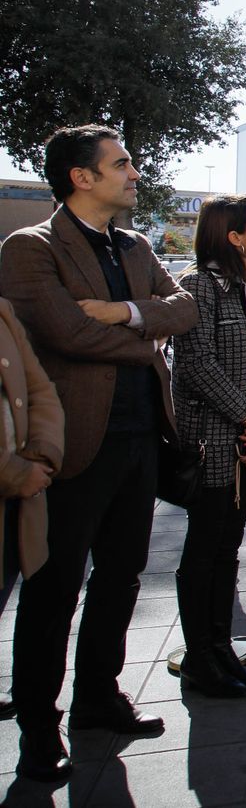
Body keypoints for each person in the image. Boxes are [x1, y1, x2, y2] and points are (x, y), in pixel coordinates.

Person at [0, 125, 197, 781]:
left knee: (120, 580)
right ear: (82, 177)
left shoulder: (136, 245)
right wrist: (143, 330)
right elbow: (64, 334)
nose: (134, 174)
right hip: (72, 449)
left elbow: (184, 309)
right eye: (122, 165)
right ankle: (37, 728)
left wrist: (122, 317)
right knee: (53, 593)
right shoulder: (31, 249)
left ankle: (96, 699)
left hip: (142, 442)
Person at [169, 195, 246, 697]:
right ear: (233, 236)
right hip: (215, 440)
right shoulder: (198, 285)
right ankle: (202, 657)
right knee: (206, 549)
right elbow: (195, 365)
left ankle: (221, 650)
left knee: (227, 549)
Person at [0, 296, 65, 721]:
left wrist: (41, 457)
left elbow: (39, 388)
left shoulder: (2, 311)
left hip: (21, 492)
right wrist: (9, 470)